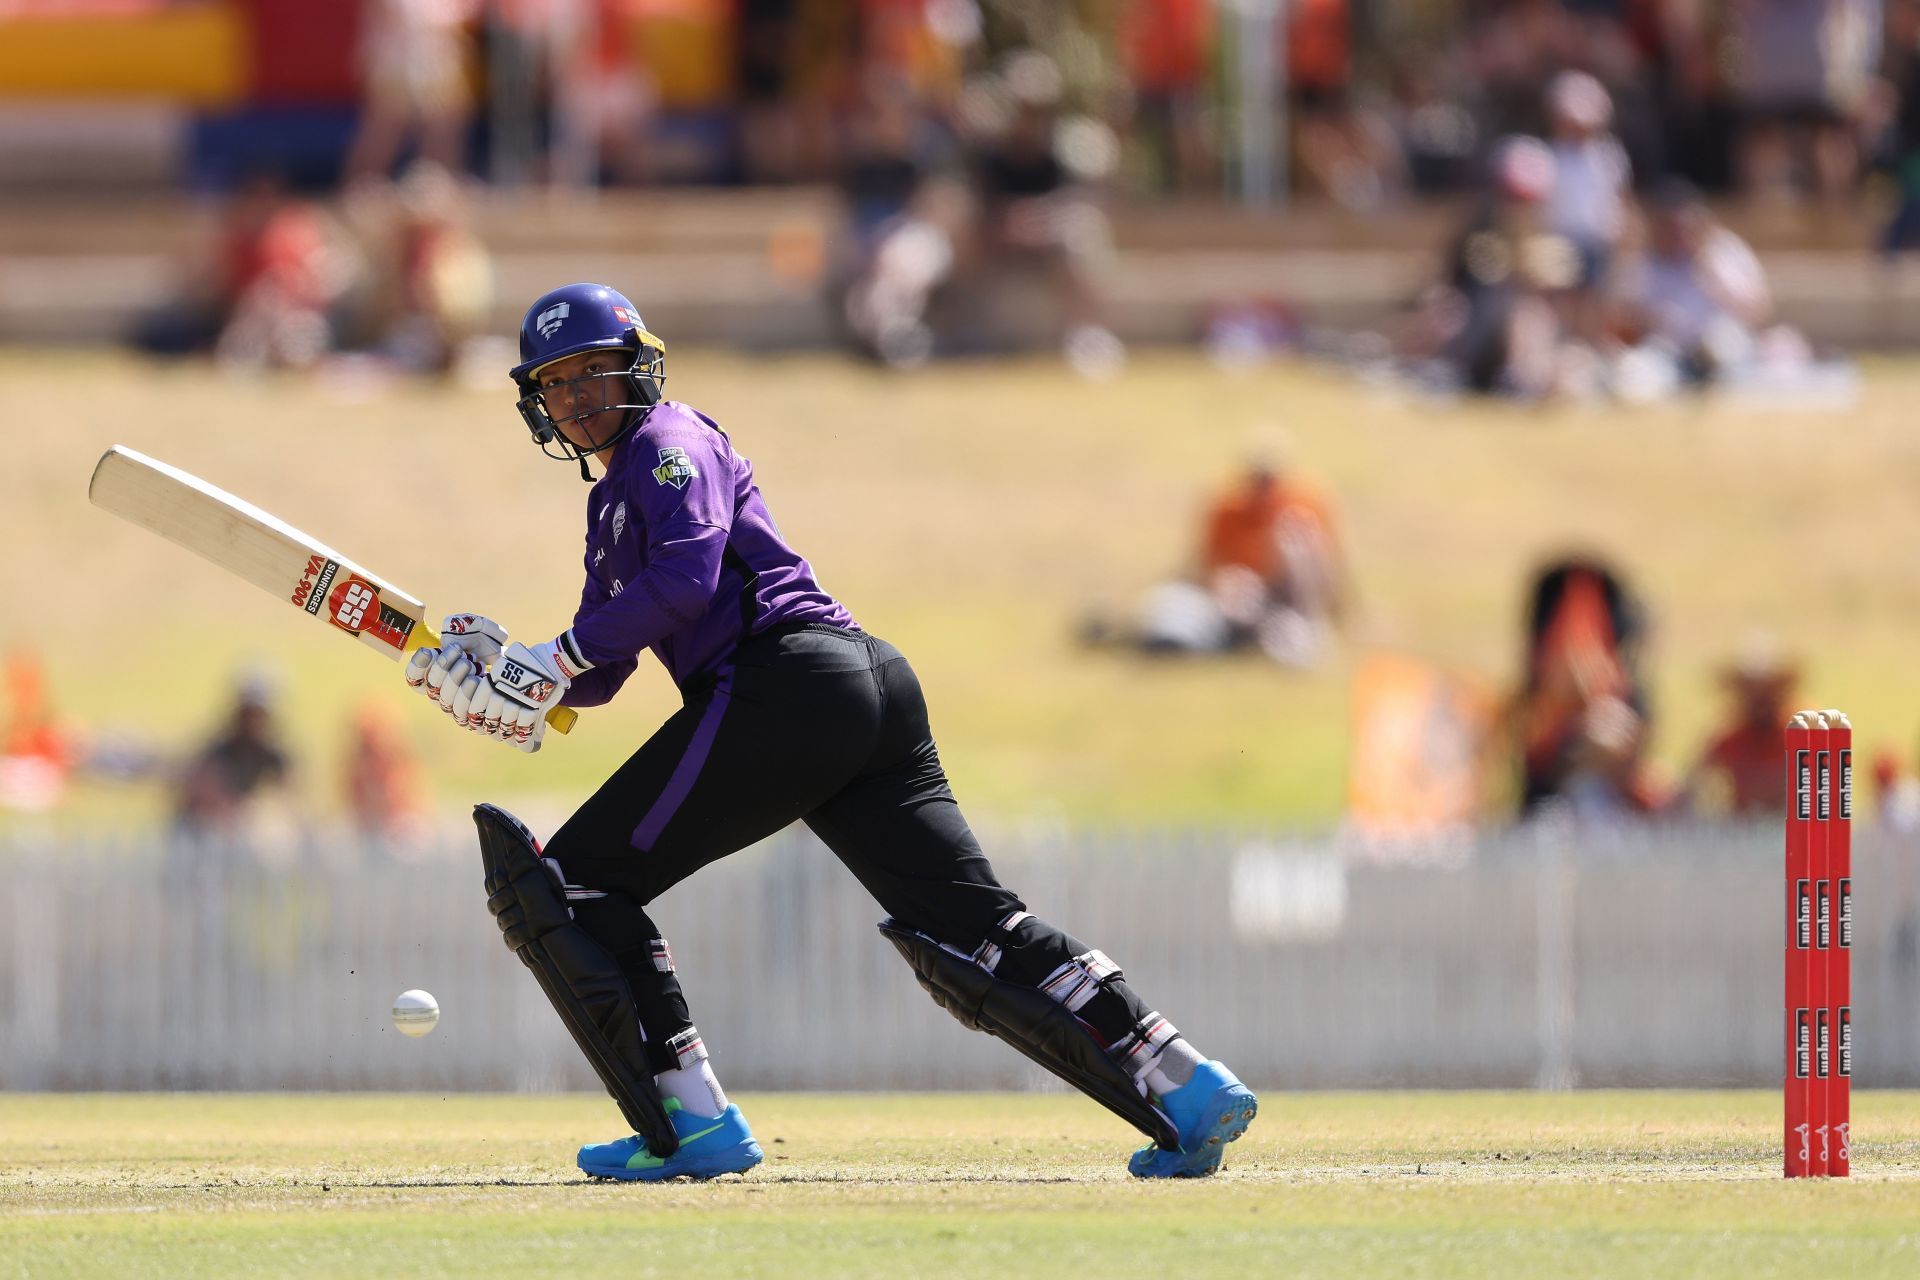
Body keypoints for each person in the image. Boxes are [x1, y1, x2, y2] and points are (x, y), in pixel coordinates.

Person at [402, 283, 1257, 1182]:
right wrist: (510, 678)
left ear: (637, 366)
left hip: (785, 682)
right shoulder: (609, 500)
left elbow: (687, 582)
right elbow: (608, 663)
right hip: (855, 689)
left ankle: (692, 1123)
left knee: (572, 888)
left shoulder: (669, 441)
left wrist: (558, 654)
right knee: (972, 928)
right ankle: (1188, 1085)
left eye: (592, 372)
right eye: (559, 383)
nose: (577, 397)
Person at [1671, 635, 1797, 819]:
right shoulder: (1730, 737)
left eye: (1766, 690)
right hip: (1745, 829)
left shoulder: (1802, 732)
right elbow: (1692, 783)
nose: (1759, 699)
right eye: (1751, 691)